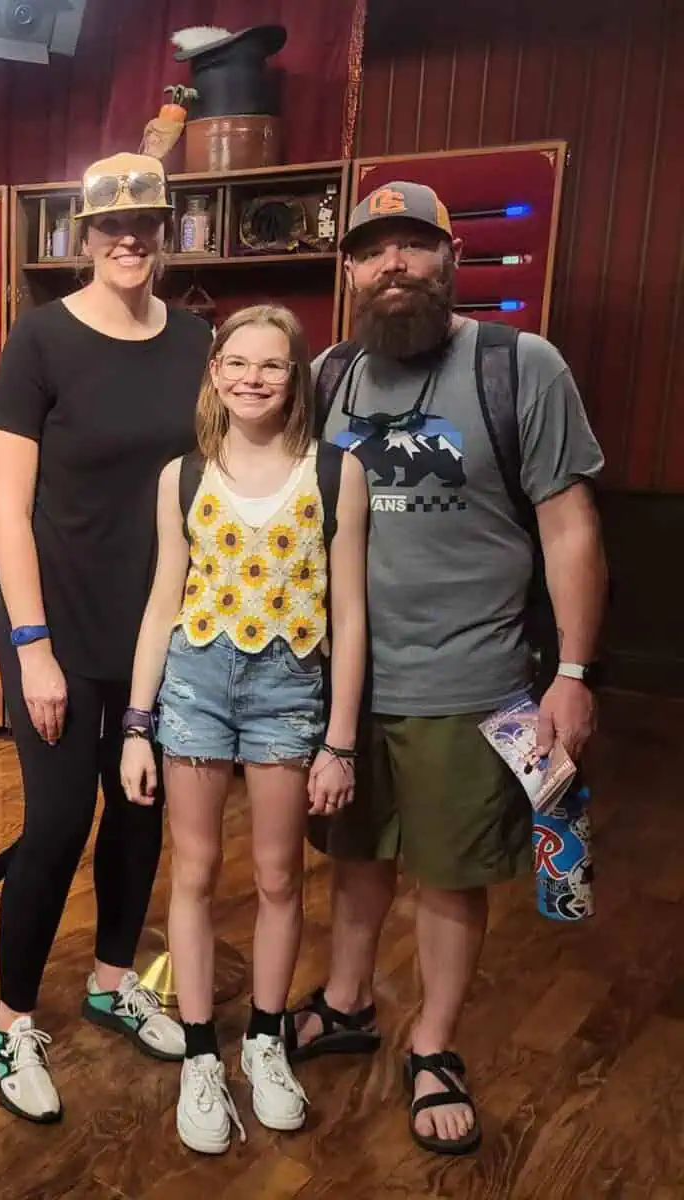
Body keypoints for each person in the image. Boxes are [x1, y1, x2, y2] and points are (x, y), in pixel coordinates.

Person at [290, 181, 608, 1156]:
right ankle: (345, 1003)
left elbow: (568, 526)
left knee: (447, 875)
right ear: (347, 269)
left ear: (449, 259)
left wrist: (576, 672)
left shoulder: (520, 367)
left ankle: (432, 1046)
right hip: (341, 689)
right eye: (372, 249)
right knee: (353, 859)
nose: (393, 264)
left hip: (473, 684)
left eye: (412, 245)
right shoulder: (329, 376)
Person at [0, 151, 211, 1124]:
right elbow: (3, 502)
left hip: (162, 621)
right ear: (82, 234)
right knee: (58, 818)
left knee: (140, 808)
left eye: (146, 222)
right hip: (56, 621)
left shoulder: (197, 338)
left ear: (166, 231)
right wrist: (31, 645)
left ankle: (114, 977)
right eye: (110, 224)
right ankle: (10, 1018)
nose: (128, 238)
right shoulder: (38, 340)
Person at [119, 305, 369, 1153]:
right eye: (236, 362)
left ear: (296, 376)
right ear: (215, 372)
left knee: (277, 876)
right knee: (192, 869)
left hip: (289, 688)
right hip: (195, 682)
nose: (252, 378)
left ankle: (263, 1039)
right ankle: (200, 1052)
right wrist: (136, 722)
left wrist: (340, 738)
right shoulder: (181, 476)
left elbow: (352, 612)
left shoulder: (336, 475)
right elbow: (163, 601)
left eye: (272, 365)